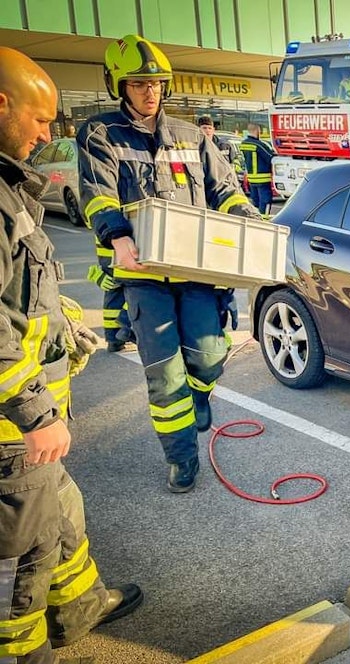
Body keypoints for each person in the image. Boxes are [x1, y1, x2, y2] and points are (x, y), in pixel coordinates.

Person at [0, 45, 143, 663]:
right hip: (14, 428)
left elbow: (20, 298)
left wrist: (64, 326)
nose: (47, 132)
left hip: (31, 425)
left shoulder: (11, 190)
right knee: (21, 561)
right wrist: (34, 412)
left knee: (63, 517)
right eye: (39, 119)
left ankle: (83, 608)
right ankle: (25, 654)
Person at [76, 34, 260, 493]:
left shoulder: (191, 135)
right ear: (119, 86)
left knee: (210, 356)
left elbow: (225, 191)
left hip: (196, 274)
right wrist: (117, 237)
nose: (150, 91)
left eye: (156, 83)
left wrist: (249, 222)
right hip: (143, 277)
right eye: (138, 84)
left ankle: (200, 400)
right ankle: (181, 457)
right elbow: (97, 196)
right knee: (165, 374)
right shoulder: (100, 134)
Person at [239, 123, 275, 215]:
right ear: (257, 131)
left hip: (251, 179)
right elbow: (270, 157)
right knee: (265, 202)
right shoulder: (259, 145)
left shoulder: (243, 144)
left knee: (256, 202)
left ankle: (257, 220)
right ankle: (264, 220)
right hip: (263, 178)